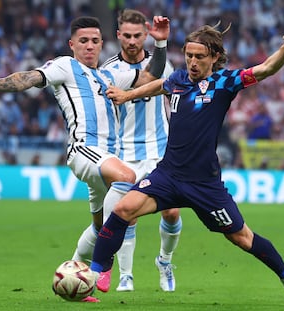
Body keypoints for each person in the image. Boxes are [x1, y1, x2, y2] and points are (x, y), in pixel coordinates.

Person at [91, 23, 284, 306]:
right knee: (122, 209)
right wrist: (127, 95)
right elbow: (162, 84)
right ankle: (96, 273)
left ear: (215, 57)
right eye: (189, 55)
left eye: (200, 57)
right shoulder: (179, 78)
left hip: (204, 184)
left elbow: (265, 69)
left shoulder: (225, 83)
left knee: (242, 238)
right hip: (167, 175)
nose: (193, 62)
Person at [0, 15, 170, 302]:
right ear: (72, 44)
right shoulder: (65, 66)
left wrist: (160, 42)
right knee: (128, 178)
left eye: (95, 41)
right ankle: (103, 263)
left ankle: (73, 278)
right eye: (83, 41)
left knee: (100, 228)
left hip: (108, 157)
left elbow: (150, 77)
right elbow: (29, 78)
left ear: (102, 44)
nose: (90, 47)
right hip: (85, 150)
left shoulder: (111, 76)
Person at [101, 9, 182, 292]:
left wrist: (161, 47)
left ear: (145, 34)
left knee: (171, 212)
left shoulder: (165, 65)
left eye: (138, 36)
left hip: (161, 150)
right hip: (126, 152)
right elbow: (148, 81)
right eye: (127, 36)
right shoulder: (108, 71)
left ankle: (165, 261)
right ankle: (126, 274)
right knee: (128, 213)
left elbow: (167, 91)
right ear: (118, 36)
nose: (133, 41)